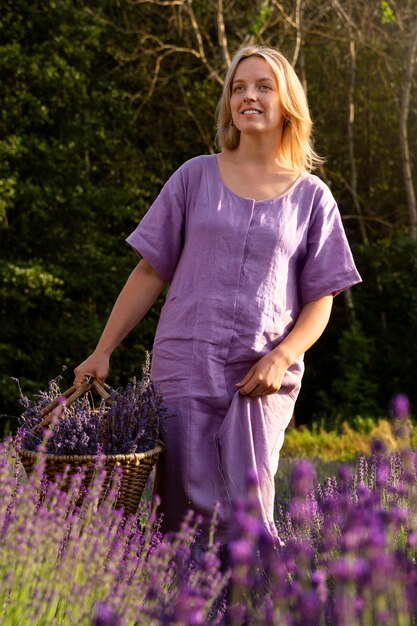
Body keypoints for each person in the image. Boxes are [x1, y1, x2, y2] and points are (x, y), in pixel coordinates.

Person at [74, 45, 361, 549]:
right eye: (237, 87)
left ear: (286, 101)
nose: (248, 96)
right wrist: (103, 350)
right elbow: (148, 270)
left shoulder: (313, 196)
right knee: (180, 516)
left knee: (246, 512)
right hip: (184, 366)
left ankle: (253, 608)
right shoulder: (193, 176)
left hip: (261, 377)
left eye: (262, 86)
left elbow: (323, 297)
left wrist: (283, 355)